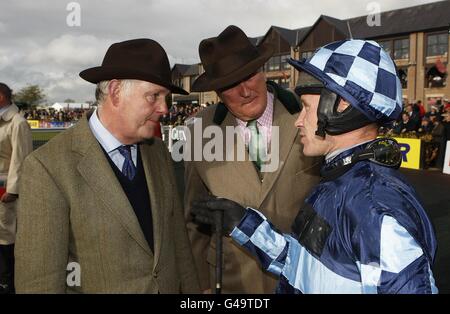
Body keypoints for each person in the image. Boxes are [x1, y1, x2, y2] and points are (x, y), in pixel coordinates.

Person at [192, 39, 438, 294]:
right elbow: (306, 269)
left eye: (306, 108)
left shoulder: (376, 210)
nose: (298, 120)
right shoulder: (339, 185)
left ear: (339, 106)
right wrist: (246, 224)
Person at [15, 39, 200, 293]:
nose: (164, 109)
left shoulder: (158, 153)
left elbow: (178, 241)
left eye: (165, 97)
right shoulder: (47, 168)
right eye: (153, 96)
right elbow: (39, 284)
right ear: (115, 92)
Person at [184, 25, 321, 293]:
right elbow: (193, 219)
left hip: (299, 278)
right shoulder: (201, 129)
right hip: (231, 282)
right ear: (217, 93)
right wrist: (199, 286)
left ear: (262, 70)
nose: (245, 91)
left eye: (249, 76)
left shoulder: (307, 114)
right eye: (230, 86)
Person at [0, 83, 33, 294]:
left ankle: (7, 285)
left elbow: (21, 159)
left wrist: (13, 189)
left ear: (2, 96)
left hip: (5, 191)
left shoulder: (18, 122)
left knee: (5, 237)